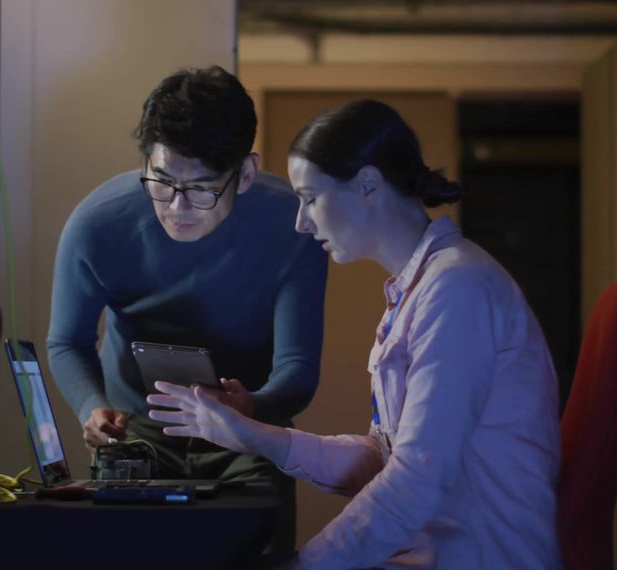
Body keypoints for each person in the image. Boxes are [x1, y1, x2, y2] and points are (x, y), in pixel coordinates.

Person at [147, 99, 562, 569]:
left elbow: (414, 481)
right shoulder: (421, 289)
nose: (301, 222)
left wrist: (305, 565)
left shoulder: (457, 288)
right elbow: (382, 459)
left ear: (368, 184)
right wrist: (253, 435)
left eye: (310, 198)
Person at [46, 65, 328, 551]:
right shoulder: (99, 223)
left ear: (245, 174)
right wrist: (93, 409)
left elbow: (298, 368)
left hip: (247, 432)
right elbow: (67, 342)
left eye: (201, 189)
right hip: (137, 432)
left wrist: (250, 407)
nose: (176, 207)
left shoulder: (293, 225)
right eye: (161, 181)